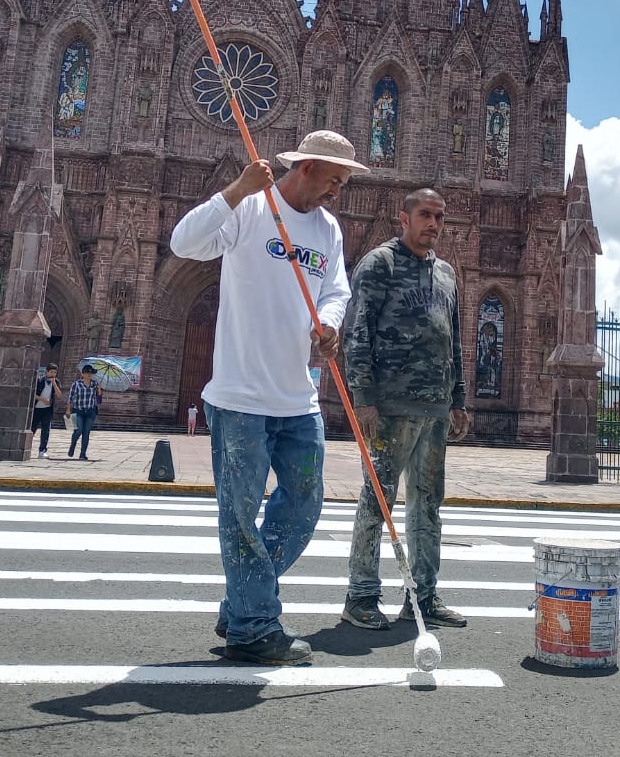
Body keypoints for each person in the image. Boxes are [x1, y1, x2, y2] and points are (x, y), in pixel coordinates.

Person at [169, 129, 361, 665]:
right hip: (240, 397)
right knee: (239, 513)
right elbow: (184, 243)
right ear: (306, 168)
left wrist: (327, 324)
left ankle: (242, 602)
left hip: (297, 399)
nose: (337, 192)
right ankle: (254, 625)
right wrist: (235, 189)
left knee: (304, 504)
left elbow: (337, 289)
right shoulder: (251, 209)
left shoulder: (328, 230)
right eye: (334, 180)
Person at [341, 188, 470, 632]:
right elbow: (356, 331)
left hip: (434, 409)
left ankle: (425, 595)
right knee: (378, 500)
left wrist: (458, 399)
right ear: (404, 218)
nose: (433, 223)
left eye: (439, 217)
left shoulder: (448, 275)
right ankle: (360, 596)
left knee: (428, 504)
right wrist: (363, 398)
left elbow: (453, 339)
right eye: (424, 215)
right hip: (389, 407)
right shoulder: (380, 263)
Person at [66, 364, 101, 460]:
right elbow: (70, 397)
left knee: (86, 433)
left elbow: (99, 401)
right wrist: (68, 409)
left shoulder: (94, 384)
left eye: (91, 373)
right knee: (78, 431)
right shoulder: (76, 384)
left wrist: (99, 390)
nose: (89, 375)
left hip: (90, 411)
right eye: (87, 373)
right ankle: (73, 445)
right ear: (83, 373)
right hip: (78, 411)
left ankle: (83, 453)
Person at [31, 363, 65, 456]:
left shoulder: (56, 382)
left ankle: (42, 450)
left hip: (48, 410)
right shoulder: (40, 381)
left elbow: (59, 395)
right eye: (51, 372)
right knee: (32, 428)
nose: (53, 374)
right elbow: (32, 394)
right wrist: (42, 399)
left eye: (55, 372)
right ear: (47, 372)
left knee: (46, 430)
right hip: (37, 408)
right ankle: (27, 447)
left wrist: (54, 384)